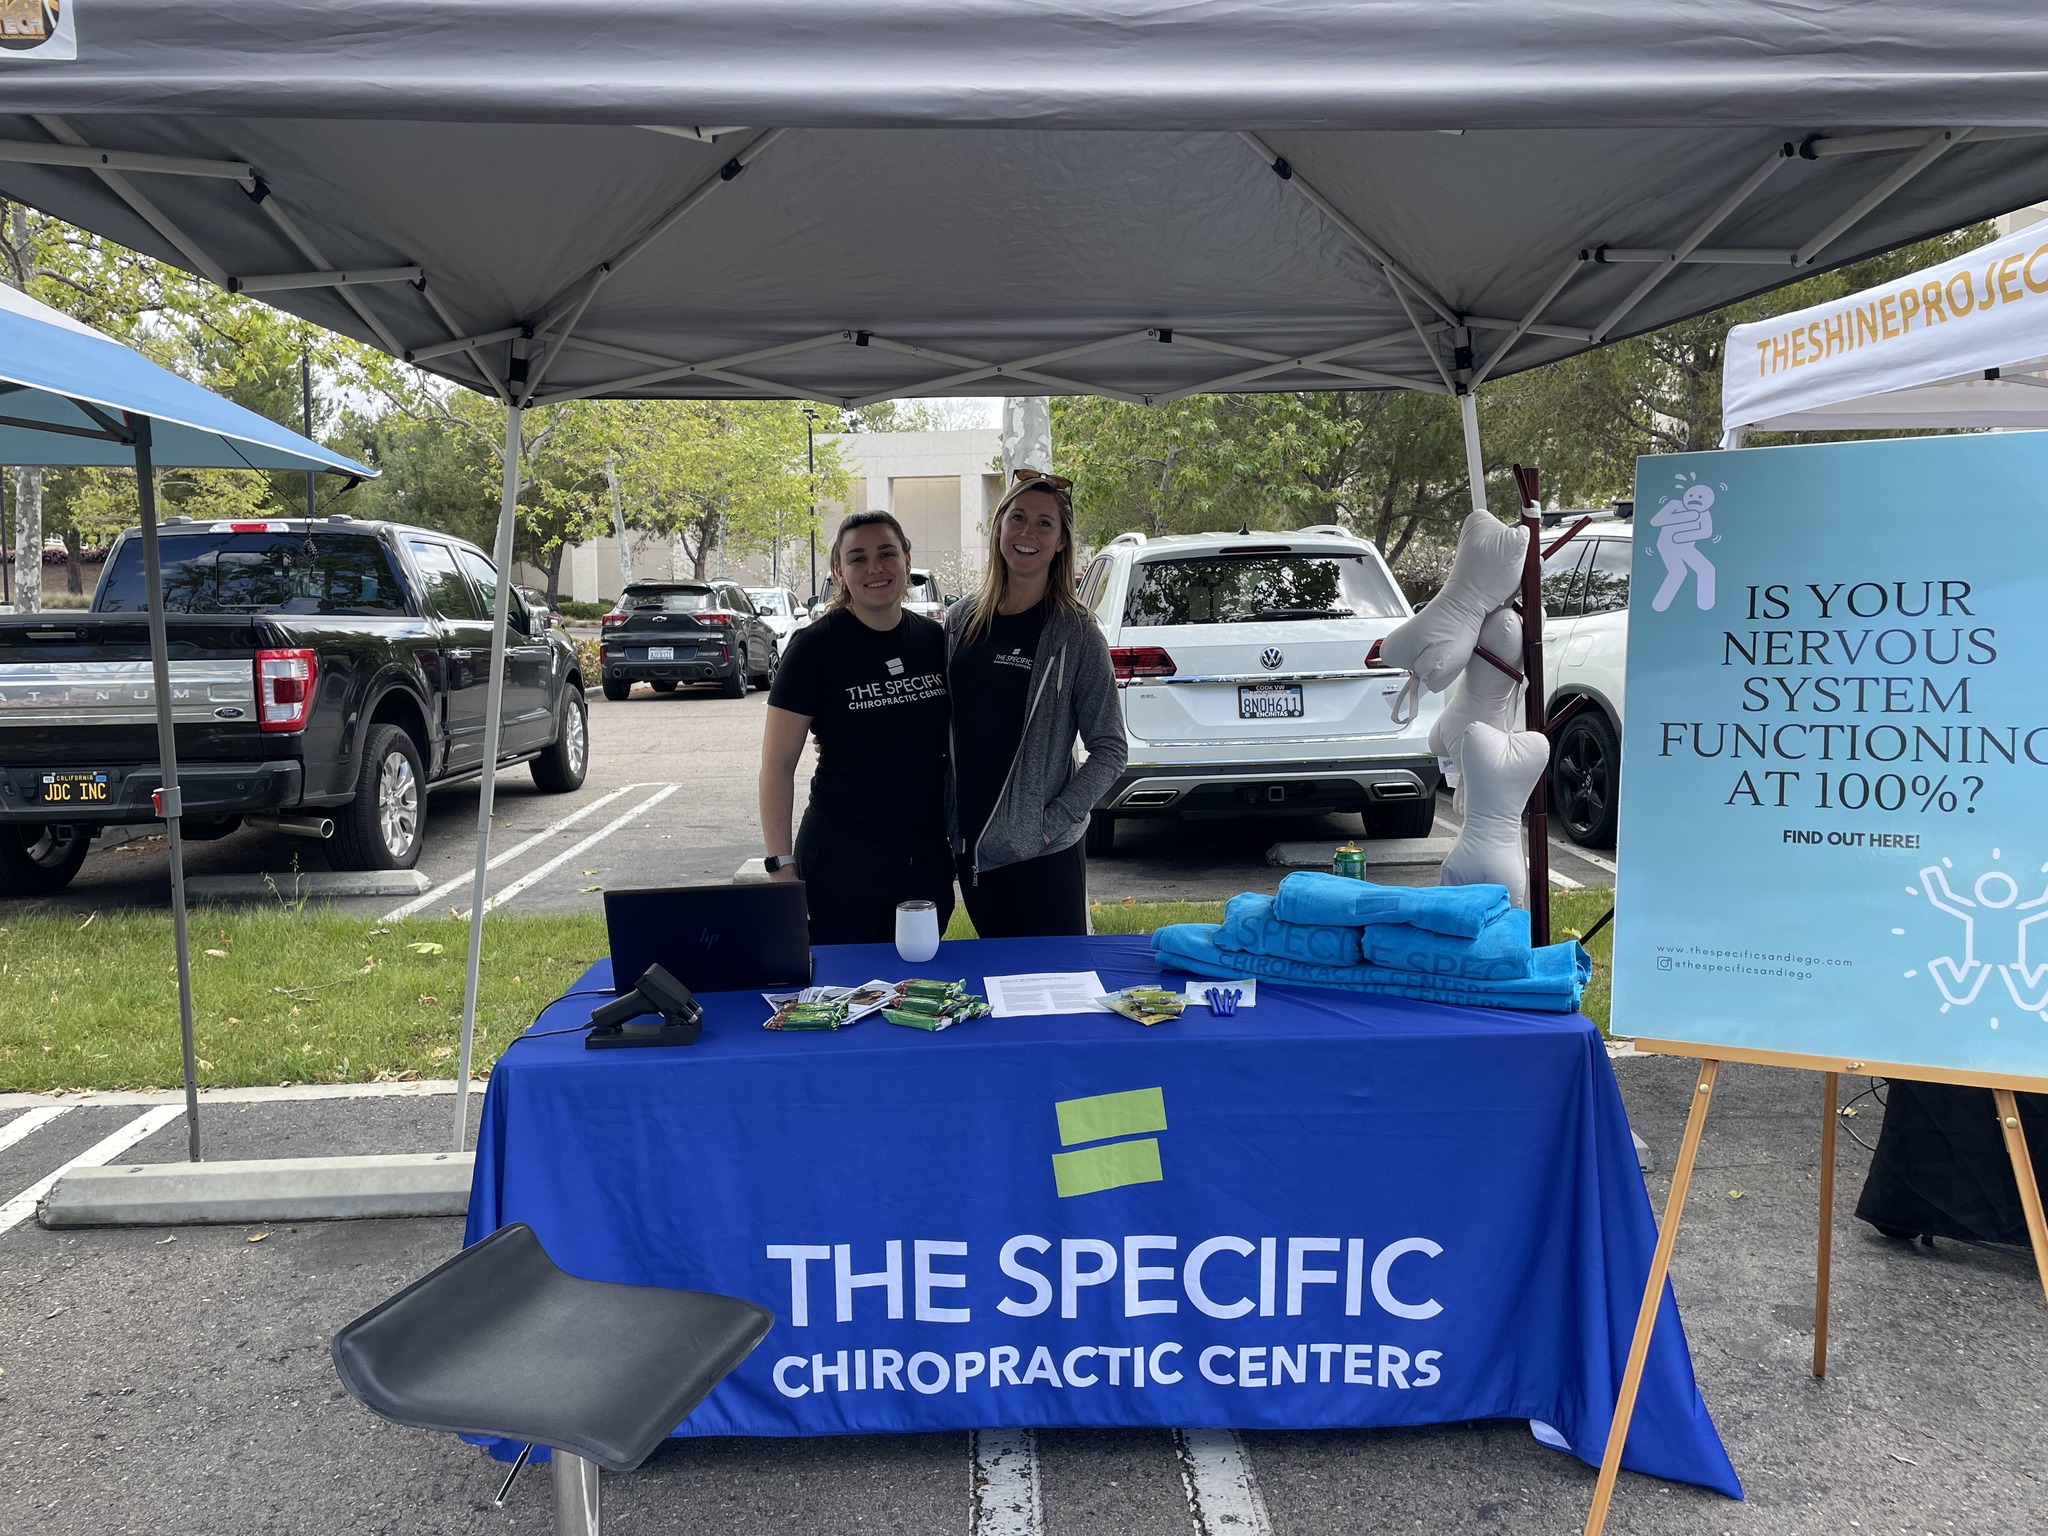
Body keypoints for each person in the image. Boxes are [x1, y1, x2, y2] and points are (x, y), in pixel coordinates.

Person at [944, 470, 1125, 937]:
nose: (1028, 533)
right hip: (973, 844)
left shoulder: (1078, 633)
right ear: (998, 527)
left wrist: (1052, 823)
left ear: (1062, 541)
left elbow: (1109, 747)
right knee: (1000, 984)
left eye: (1045, 524)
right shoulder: (960, 620)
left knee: (1059, 989)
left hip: (1042, 850)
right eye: (1017, 518)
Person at [759, 511, 954, 944]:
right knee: (845, 993)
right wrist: (780, 864)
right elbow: (776, 767)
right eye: (858, 558)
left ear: (906, 559)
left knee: (918, 984)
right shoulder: (813, 649)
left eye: (886, 553)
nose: (875, 568)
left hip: (924, 857)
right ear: (839, 572)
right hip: (841, 859)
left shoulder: (935, 643)